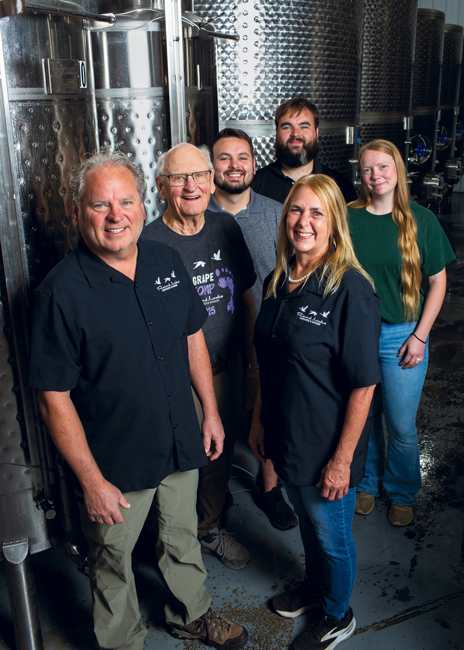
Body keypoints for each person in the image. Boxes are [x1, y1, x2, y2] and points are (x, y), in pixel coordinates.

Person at [27, 151, 248, 650]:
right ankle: (123, 641)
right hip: (115, 462)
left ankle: (190, 613)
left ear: (143, 207)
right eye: (100, 205)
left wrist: (208, 411)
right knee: (112, 559)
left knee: (181, 536)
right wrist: (91, 481)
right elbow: (52, 399)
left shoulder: (164, 260)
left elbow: (193, 335)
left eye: (125, 201)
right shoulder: (60, 294)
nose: (115, 215)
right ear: (78, 212)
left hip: (178, 436)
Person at [249, 174, 381, 650]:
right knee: (307, 522)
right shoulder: (278, 280)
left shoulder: (350, 290)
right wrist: (260, 418)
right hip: (287, 433)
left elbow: (364, 384)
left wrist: (342, 459)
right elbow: (270, 361)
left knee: (331, 534)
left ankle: (336, 612)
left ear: (334, 223)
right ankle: (315, 588)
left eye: (316, 212)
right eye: (296, 211)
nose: (303, 222)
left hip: (327, 442)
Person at [143, 143, 256, 571]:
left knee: (218, 457)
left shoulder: (226, 227)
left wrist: (252, 366)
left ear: (211, 181)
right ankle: (176, 543)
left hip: (227, 369)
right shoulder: (148, 242)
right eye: (178, 178)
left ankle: (208, 529)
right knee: (181, 466)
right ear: (160, 187)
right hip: (176, 379)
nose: (190, 186)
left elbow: (243, 299)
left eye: (198, 176)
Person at [348, 139, 456, 527]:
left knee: (400, 423)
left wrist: (420, 336)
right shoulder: (348, 217)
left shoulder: (419, 219)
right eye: (367, 169)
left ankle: (403, 491)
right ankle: (366, 486)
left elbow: (439, 282)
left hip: (403, 334)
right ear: (359, 175)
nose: (376, 176)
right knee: (363, 416)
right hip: (357, 335)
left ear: (397, 170)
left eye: (383, 167)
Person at [209, 127, 298, 531]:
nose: (234, 166)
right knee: (220, 421)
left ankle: (270, 489)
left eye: (242, 157)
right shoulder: (198, 213)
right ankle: (216, 492)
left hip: (268, 335)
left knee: (272, 413)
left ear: (253, 162)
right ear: (212, 166)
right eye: (224, 158)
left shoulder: (277, 212)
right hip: (215, 344)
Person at [251, 98, 356, 204]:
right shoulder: (254, 186)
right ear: (277, 132)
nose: (295, 133)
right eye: (287, 127)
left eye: (304, 127)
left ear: (316, 132)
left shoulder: (341, 185)